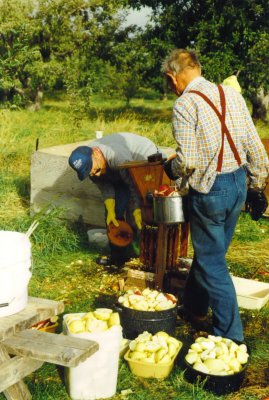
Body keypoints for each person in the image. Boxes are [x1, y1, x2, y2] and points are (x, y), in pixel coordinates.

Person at [161, 48, 269, 342]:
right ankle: (195, 306)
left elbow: (189, 161)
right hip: (237, 185)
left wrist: (171, 168)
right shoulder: (230, 94)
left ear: (174, 75)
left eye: (169, 82)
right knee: (212, 252)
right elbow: (255, 147)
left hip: (210, 191)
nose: (171, 88)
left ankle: (231, 337)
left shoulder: (185, 104)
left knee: (214, 264)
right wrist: (257, 186)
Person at [68, 132, 162, 267]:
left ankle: (151, 259)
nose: (95, 174)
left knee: (145, 210)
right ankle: (118, 258)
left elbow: (134, 186)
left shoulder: (118, 157)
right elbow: (104, 185)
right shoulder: (90, 165)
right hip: (120, 173)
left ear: (97, 153)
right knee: (113, 215)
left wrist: (137, 209)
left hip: (143, 162)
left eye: (94, 169)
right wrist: (111, 209)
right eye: (90, 173)